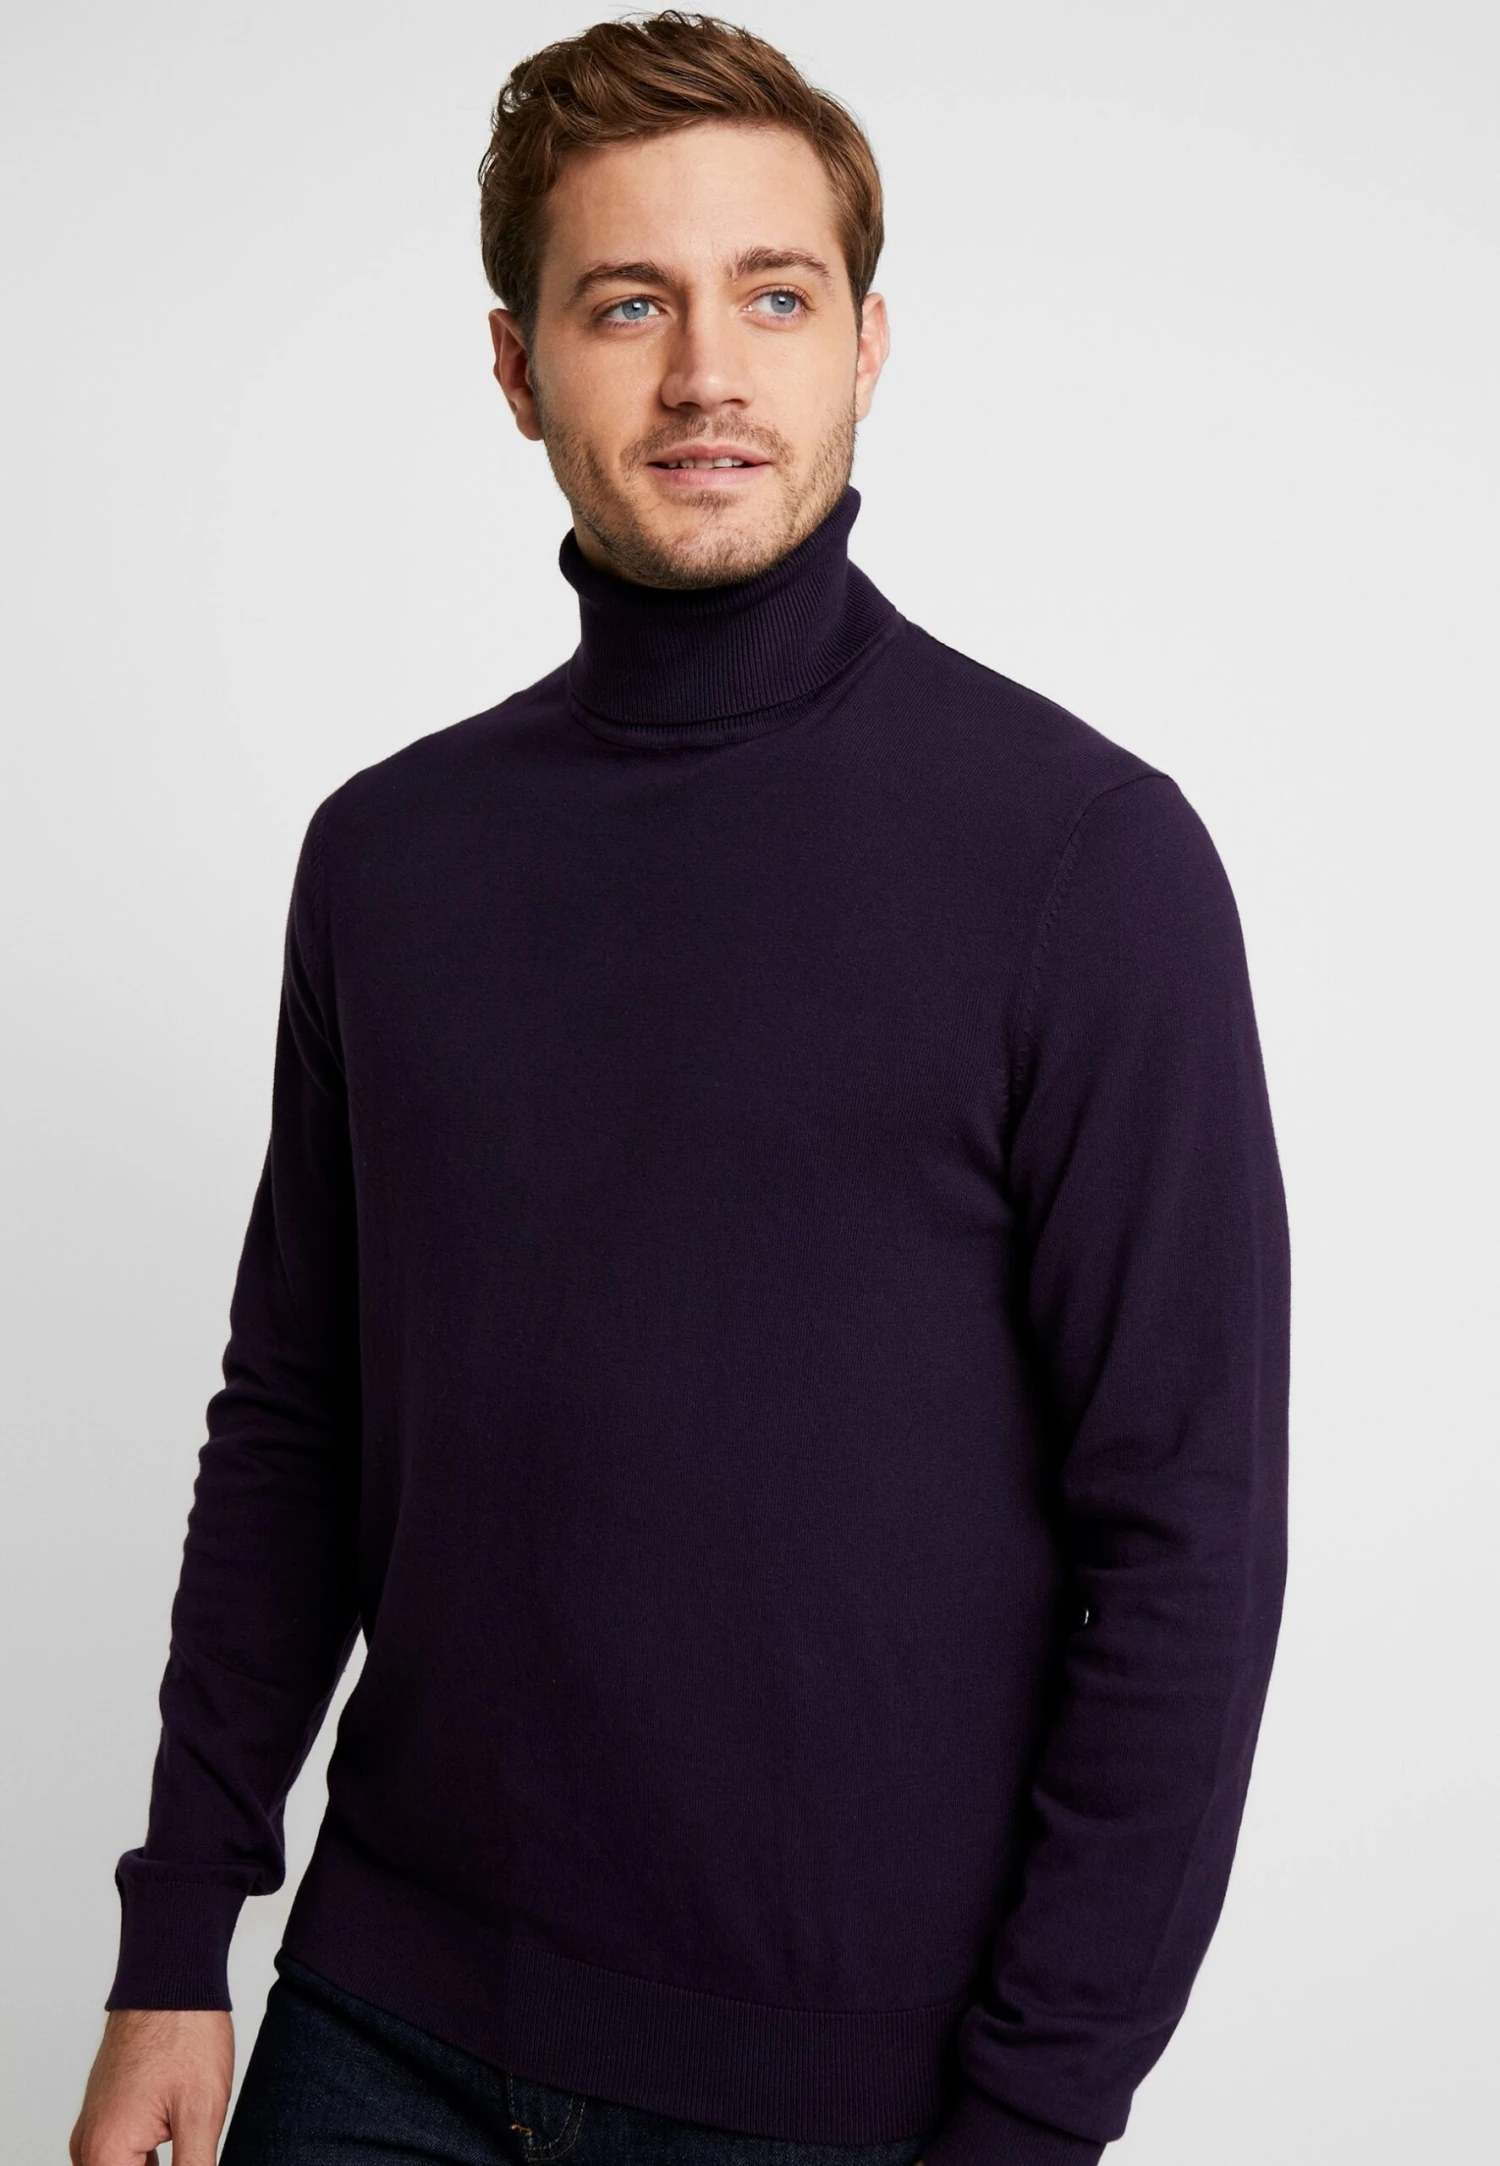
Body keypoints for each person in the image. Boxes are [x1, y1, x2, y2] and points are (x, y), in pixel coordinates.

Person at [70, 13, 1291, 2166]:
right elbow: (299, 1419)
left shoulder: (1081, 862)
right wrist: (177, 1933)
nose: (707, 372)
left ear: (869, 343)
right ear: (517, 366)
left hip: (843, 2092)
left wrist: (1034, 2116)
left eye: (775, 296)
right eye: (628, 303)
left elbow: (1187, 1536)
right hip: (377, 2034)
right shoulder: (392, 861)